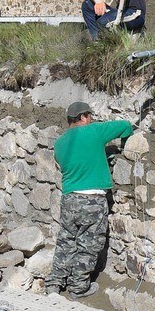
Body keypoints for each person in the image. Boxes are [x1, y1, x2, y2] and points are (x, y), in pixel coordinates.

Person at [45, 100, 133, 297]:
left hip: (69, 199)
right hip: (92, 199)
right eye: (90, 116)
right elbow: (126, 126)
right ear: (83, 117)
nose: (91, 119)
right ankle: (78, 287)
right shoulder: (93, 131)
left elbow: (65, 163)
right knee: (89, 244)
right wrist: (124, 147)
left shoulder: (59, 143)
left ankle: (54, 283)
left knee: (66, 241)